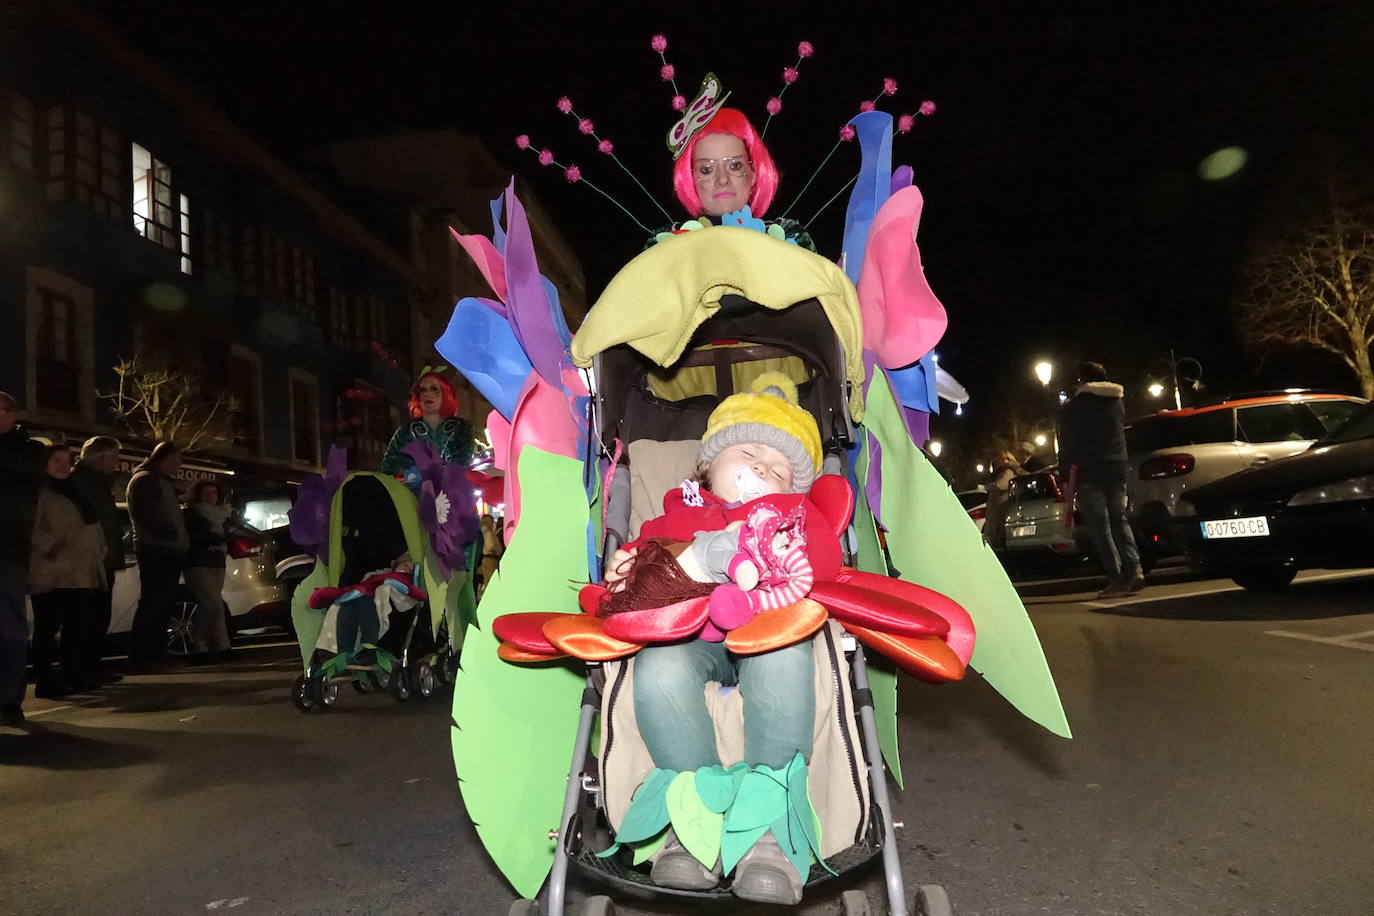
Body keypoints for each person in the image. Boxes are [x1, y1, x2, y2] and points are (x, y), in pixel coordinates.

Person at [602, 375, 834, 905]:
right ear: (708, 464)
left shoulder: (797, 515)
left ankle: (768, 831)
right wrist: (624, 569)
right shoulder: (676, 511)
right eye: (749, 452)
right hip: (692, 633)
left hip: (767, 624)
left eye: (780, 470)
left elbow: (823, 563)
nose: (761, 469)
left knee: (782, 655)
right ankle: (692, 824)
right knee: (659, 666)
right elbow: (645, 570)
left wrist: (780, 545)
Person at [1058, 361, 1143, 597]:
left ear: (1082, 380)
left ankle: (1115, 579)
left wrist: (1065, 474)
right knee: (1119, 519)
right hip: (1117, 468)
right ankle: (1135, 569)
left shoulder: (1076, 407)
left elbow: (1068, 444)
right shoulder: (1117, 402)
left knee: (1099, 527)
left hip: (1089, 471)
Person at [29, 443, 107, 697]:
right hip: (51, 570)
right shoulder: (37, 491)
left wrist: (98, 552)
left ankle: (72, 674)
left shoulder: (75, 490)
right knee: (47, 627)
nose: (63, 466)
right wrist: (50, 546)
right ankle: (46, 680)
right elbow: (31, 527)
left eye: (67, 461)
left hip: (79, 571)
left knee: (75, 627)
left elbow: (91, 525)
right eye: (56, 460)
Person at [0, 392, 47, 726]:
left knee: (9, 626)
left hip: (7, 549)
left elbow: (26, 474)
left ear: (11, 414)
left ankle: (9, 699)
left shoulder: (29, 449)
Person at [68, 435, 126, 683]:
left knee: (97, 616)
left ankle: (91, 667)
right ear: (100, 458)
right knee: (88, 617)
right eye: (114, 456)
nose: (117, 462)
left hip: (101, 558)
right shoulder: (83, 484)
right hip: (91, 560)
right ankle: (83, 669)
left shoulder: (97, 484)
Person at [126, 441, 189, 667]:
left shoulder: (159, 481)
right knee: (155, 602)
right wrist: (170, 534)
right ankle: (144, 655)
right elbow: (147, 515)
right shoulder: (146, 481)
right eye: (178, 460)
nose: (179, 465)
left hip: (166, 548)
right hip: (156, 548)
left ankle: (154, 652)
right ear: (168, 457)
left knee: (163, 603)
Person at [380, 369, 476, 478]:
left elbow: (463, 461)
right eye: (423, 390)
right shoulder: (406, 431)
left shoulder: (462, 428)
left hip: (452, 490)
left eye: (434, 389)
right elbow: (389, 465)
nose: (427, 394)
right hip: (413, 491)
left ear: (445, 393)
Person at [182, 480, 237, 664]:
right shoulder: (192, 514)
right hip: (198, 563)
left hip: (217, 563)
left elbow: (228, 535)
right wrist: (215, 538)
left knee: (207, 607)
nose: (210, 497)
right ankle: (223, 647)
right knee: (214, 604)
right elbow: (192, 537)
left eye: (213, 493)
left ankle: (200, 649)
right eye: (205, 493)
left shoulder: (222, 515)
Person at [982, 450, 1023, 550]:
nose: (1003, 461)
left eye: (1006, 459)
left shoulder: (1008, 471)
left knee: (997, 530)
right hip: (998, 504)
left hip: (1001, 504)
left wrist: (987, 487)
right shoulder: (1001, 471)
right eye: (1001, 459)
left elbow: (1002, 485)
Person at [476, 513, 503, 597]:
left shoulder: (483, 531)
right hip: (490, 558)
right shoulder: (488, 531)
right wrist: (497, 549)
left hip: (487, 559)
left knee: (488, 580)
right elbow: (491, 545)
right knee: (490, 580)